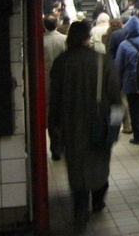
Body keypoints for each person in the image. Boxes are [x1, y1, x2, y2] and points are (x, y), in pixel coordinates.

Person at [48, 21, 122, 232]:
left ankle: (80, 207)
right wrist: (115, 129)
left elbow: (53, 101)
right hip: (99, 125)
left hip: (71, 126)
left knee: (76, 169)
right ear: (87, 37)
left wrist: (52, 128)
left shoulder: (61, 62)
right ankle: (98, 199)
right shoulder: (103, 62)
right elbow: (116, 99)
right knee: (99, 164)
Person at [115, 15, 139, 145]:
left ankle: (138, 136)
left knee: (134, 109)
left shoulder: (124, 45)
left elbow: (119, 65)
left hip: (130, 81)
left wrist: (118, 82)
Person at [43, 14, 67, 161]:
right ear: (57, 24)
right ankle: (63, 145)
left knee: (51, 116)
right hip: (63, 82)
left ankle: (55, 148)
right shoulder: (64, 39)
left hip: (45, 83)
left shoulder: (41, 41)